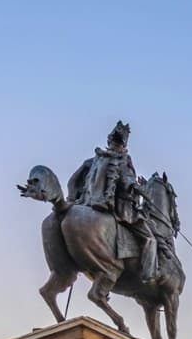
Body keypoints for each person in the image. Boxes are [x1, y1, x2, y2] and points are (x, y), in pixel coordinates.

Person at [68, 121, 161, 284]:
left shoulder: (93, 160)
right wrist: (140, 190)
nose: (117, 145)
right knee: (150, 239)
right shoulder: (122, 160)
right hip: (121, 209)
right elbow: (127, 181)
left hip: (85, 202)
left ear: (109, 140)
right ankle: (149, 275)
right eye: (119, 143)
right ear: (123, 145)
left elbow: (72, 182)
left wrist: (73, 200)